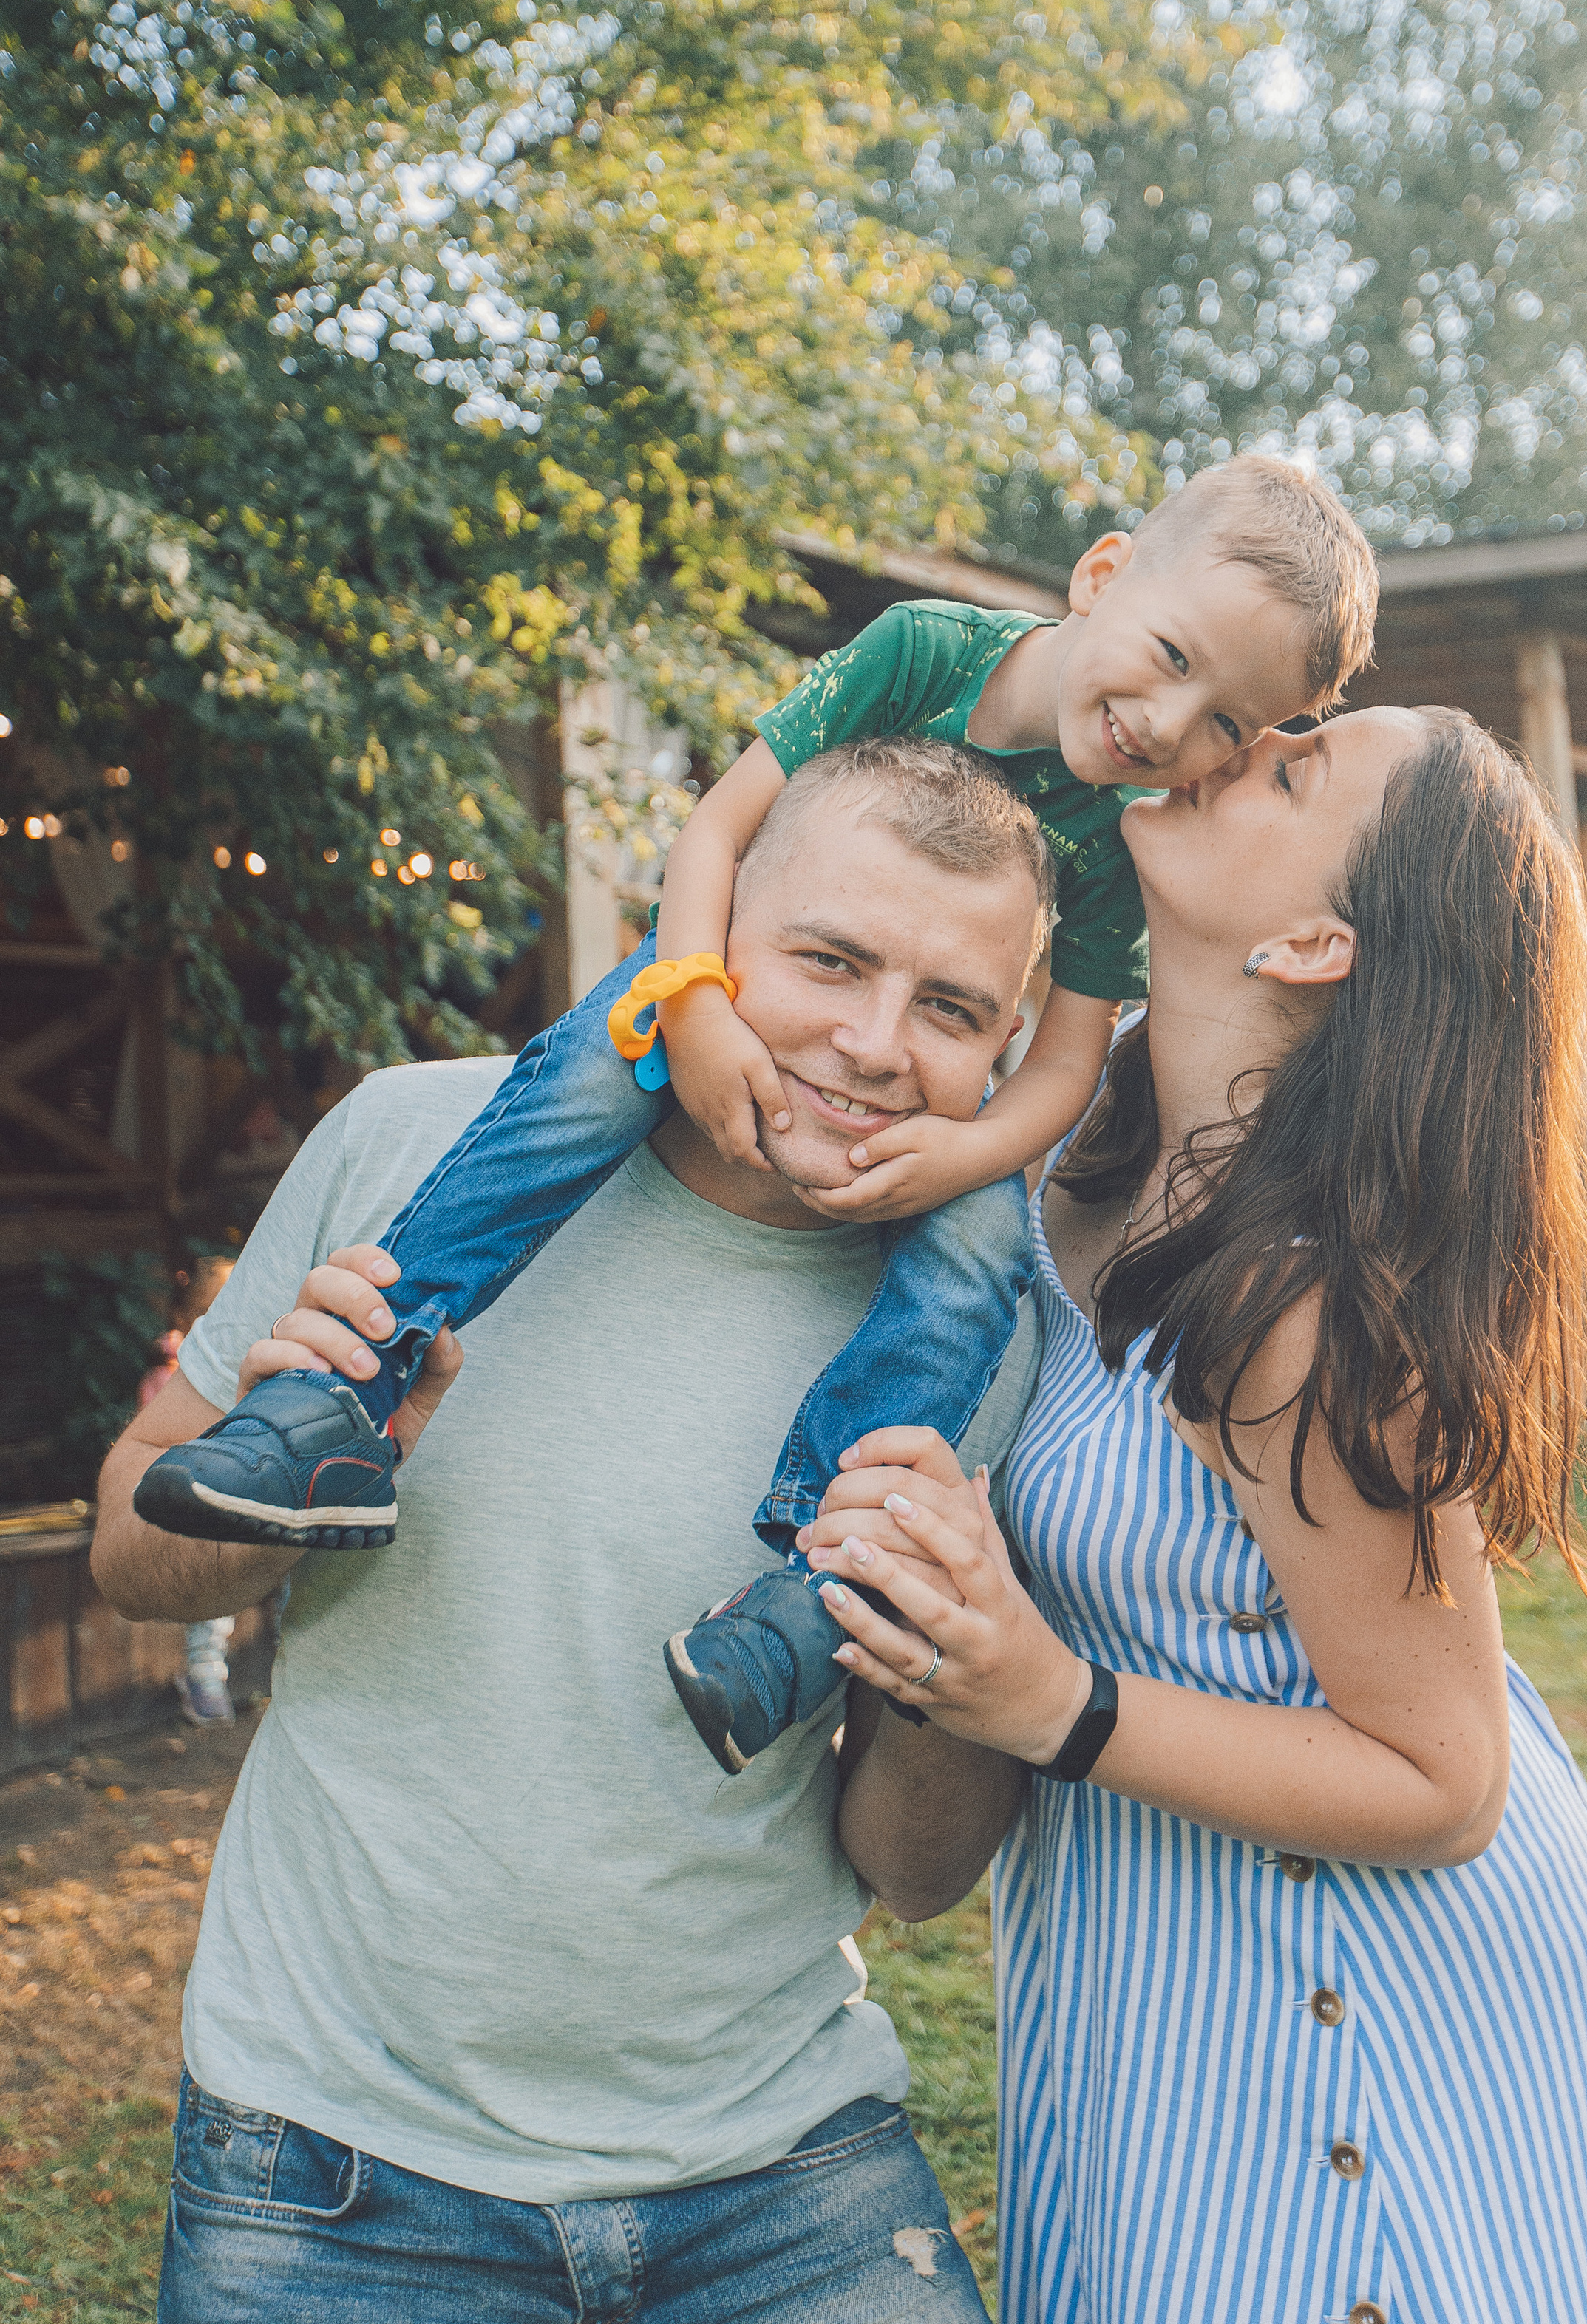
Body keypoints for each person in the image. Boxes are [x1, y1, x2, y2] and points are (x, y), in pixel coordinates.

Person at [135, 457, 1380, 1775]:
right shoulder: (925, 652)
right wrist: (696, 1002)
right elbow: (719, 832)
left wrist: (961, 1155)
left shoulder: (1120, 838)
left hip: (943, 1123)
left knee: (974, 1266)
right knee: (585, 1077)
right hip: (714, 973)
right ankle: (351, 1387)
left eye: (1226, 723)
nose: (1169, 724)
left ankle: (815, 1583)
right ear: (1103, 574)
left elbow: (1064, 1065)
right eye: (1172, 656)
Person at [90, 737, 1054, 2324]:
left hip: (779, 2167)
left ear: (1009, 1044)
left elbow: (914, 1869)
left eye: (949, 1008)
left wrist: (956, 1657)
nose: (875, 1046)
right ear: (709, 931)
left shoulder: (982, 1334)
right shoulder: (414, 1146)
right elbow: (132, 1560)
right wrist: (299, 1485)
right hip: (330, 2162)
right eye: (828, 961)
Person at [803, 708, 1587, 2324]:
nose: (1236, 739)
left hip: (1372, 2003)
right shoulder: (1065, 1133)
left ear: (1314, 941)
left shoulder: (1306, 1302)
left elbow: (1446, 1779)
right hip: (1140, 1961)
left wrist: (1050, 1701)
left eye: (1292, 768)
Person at [137, 1258, 237, 1726]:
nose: (221, 1321)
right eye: (208, 1311)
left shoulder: (242, 1366)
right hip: (186, 1494)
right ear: (183, 1317)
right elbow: (162, 1445)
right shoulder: (171, 1375)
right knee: (213, 1582)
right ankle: (204, 1675)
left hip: (230, 1491)